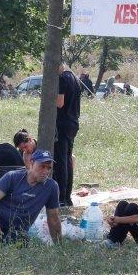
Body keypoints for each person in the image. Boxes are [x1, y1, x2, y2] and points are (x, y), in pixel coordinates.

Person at [55, 64, 81, 206]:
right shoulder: (74, 78)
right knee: (68, 160)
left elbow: (59, 103)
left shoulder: (62, 79)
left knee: (61, 162)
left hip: (63, 123)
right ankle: (67, 197)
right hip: (73, 122)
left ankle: (62, 198)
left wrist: (47, 97)